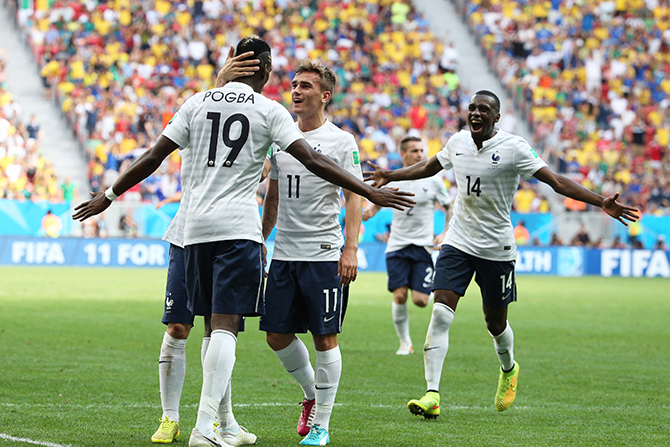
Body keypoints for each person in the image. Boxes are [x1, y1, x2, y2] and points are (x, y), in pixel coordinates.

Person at [73, 35, 414, 447]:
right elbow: (311, 160)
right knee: (226, 327)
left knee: (206, 327)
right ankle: (205, 427)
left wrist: (107, 196)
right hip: (238, 230)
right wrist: (371, 191)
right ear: (268, 74)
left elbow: (151, 156)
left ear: (232, 62)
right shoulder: (271, 113)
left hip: (193, 231)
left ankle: (223, 424)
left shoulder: (197, 102)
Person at [364, 90, 639, 419]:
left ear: (496, 117)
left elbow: (555, 181)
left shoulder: (514, 148)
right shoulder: (458, 142)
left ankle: (509, 368)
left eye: (484, 109)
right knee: (440, 313)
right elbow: (427, 167)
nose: (476, 114)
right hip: (458, 242)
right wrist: (389, 175)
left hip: (497, 248)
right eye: (472, 109)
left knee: (495, 323)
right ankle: (432, 394)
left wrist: (600, 201)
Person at [150, 47, 284, 446]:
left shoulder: (251, 117)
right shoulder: (201, 104)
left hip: (221, 230)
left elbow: (262, 173)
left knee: (217, 326)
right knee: (180, 325)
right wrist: (221, 83)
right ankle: (171, 417)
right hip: (186, 232)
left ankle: (221, 422)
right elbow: (202, 118)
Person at [258, 59, 362, 446]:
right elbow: (273, 195)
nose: (296, 91)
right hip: (285, 252)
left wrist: (349, 249)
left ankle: (321, 426)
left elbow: (354, 197)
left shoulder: (341, 141)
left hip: (323, 255)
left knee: (325, 338)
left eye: (305, 86)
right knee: (275, 336)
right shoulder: (280, 138)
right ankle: (311, 394)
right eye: (294, 85)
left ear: (325, 95)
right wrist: (261, 240)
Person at [362, 136, 452, 356]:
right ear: (402, 154)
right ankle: (405, 343)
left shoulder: (434, 180)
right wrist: (367, 213)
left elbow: (450, 207)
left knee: (421, 301)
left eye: (421, 150)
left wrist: (444, 233)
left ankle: (426, 286)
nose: (420, 154)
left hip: (422, 247)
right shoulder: (392, 179)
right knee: (400, 296)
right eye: (414, 151)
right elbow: (375, 206)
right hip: (397, 246)